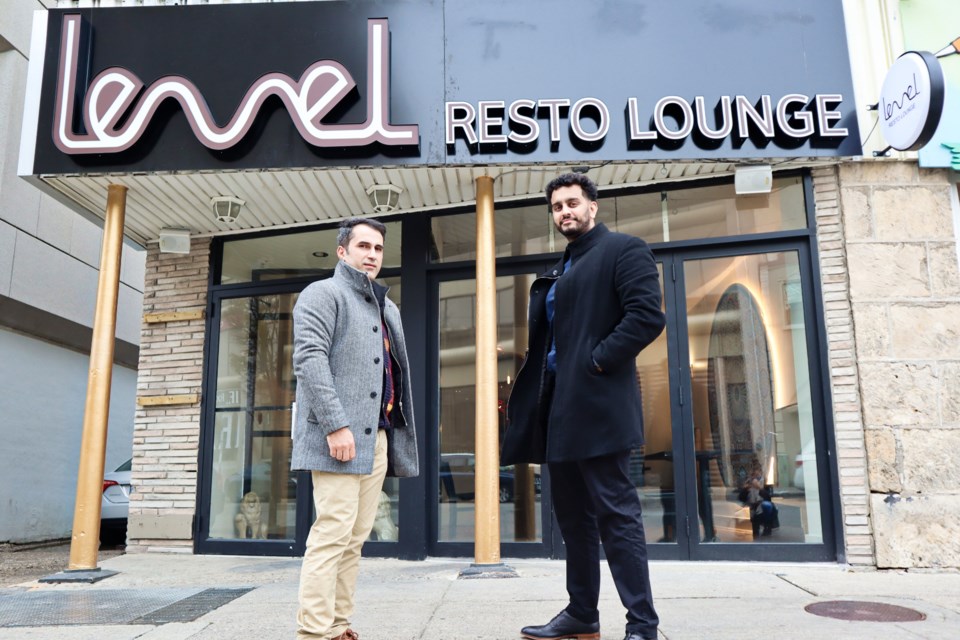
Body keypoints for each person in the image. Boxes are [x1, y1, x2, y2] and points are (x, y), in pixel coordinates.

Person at [503, 173, 665, 640]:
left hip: (599, 408)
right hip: (558, 410)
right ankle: (581, 614)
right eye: (556, 207)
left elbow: (646, 316)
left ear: (593, 206)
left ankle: (642, 624)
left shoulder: (624, 250)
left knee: (617, 517)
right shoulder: (564, 266)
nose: (564, 212)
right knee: (573, 520)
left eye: (572, 203)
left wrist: (595, 362)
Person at [291, 217, 419, 640]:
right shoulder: (323, 294)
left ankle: (338, 623)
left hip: (377, 438)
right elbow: (309, 359)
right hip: (338, 439)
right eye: (363, 246)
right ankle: (313, 632)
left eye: (379, 249)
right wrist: (335, 425)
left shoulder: (386, 306)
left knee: (354, 539)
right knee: (331, 534)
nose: (372, 255)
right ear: (342, 251)